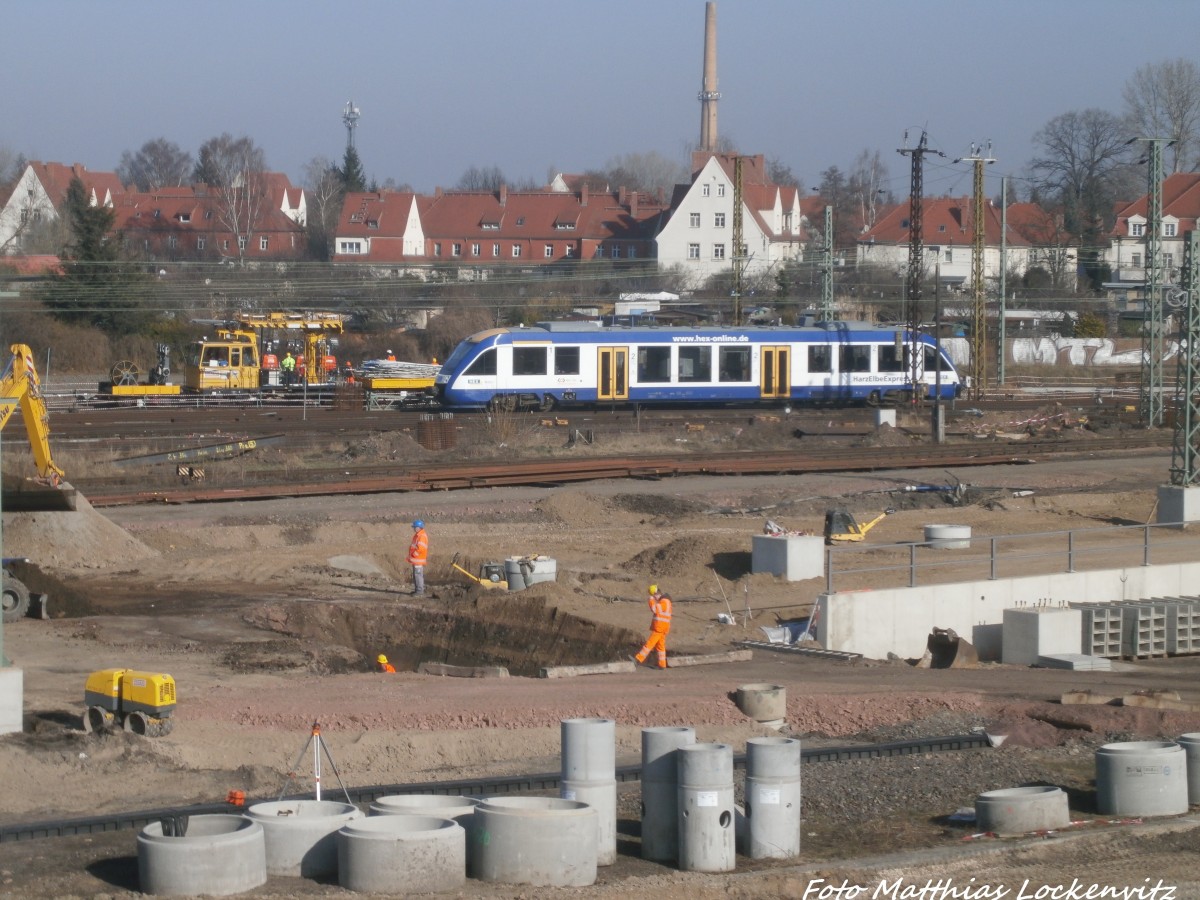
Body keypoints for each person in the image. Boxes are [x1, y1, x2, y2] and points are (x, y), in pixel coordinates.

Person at [634, 584, 672, 669]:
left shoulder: (664, 601)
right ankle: (662, 665)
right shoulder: (665, 601)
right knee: (660, 646)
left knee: (650, 644)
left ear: (656, 593)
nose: (654, 598)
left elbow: (655, 609)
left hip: (660, 627)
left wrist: (651, 600)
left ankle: (638, 659)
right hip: (662, 627)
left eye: (654, 596)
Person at [407, 519, 428, 596]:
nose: (414, 528)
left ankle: (419, 591)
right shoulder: (418, 535)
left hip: (418, 560)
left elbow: (421, 548)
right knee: (416, 575)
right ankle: (417, 590)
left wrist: (414, 554)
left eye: (415, 527)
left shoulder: (421, 536)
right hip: (416, 560)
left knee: (418, 575)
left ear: (419, 527)